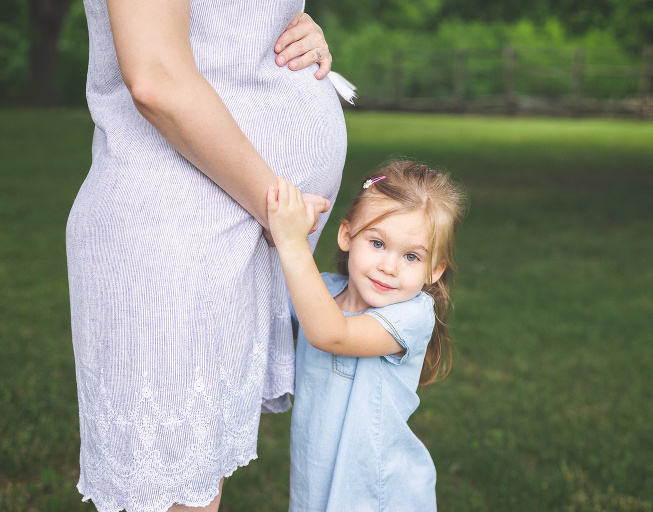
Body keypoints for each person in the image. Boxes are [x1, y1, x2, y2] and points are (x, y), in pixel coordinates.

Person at [65, 0, 347, 509]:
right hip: (171, 246)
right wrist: (277, 208)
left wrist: (290, 34)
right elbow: (155, 76)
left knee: (197, 491)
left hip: (220, 230)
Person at [265, 161, 467, 511]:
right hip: (317, 478)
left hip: (378, 491)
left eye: (411, 256)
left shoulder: (412, 315)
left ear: (433, 271)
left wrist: (291, 240)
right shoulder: (322, 293)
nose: (389, 266)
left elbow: (333, 334)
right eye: (377, 243)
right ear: (346, 235)